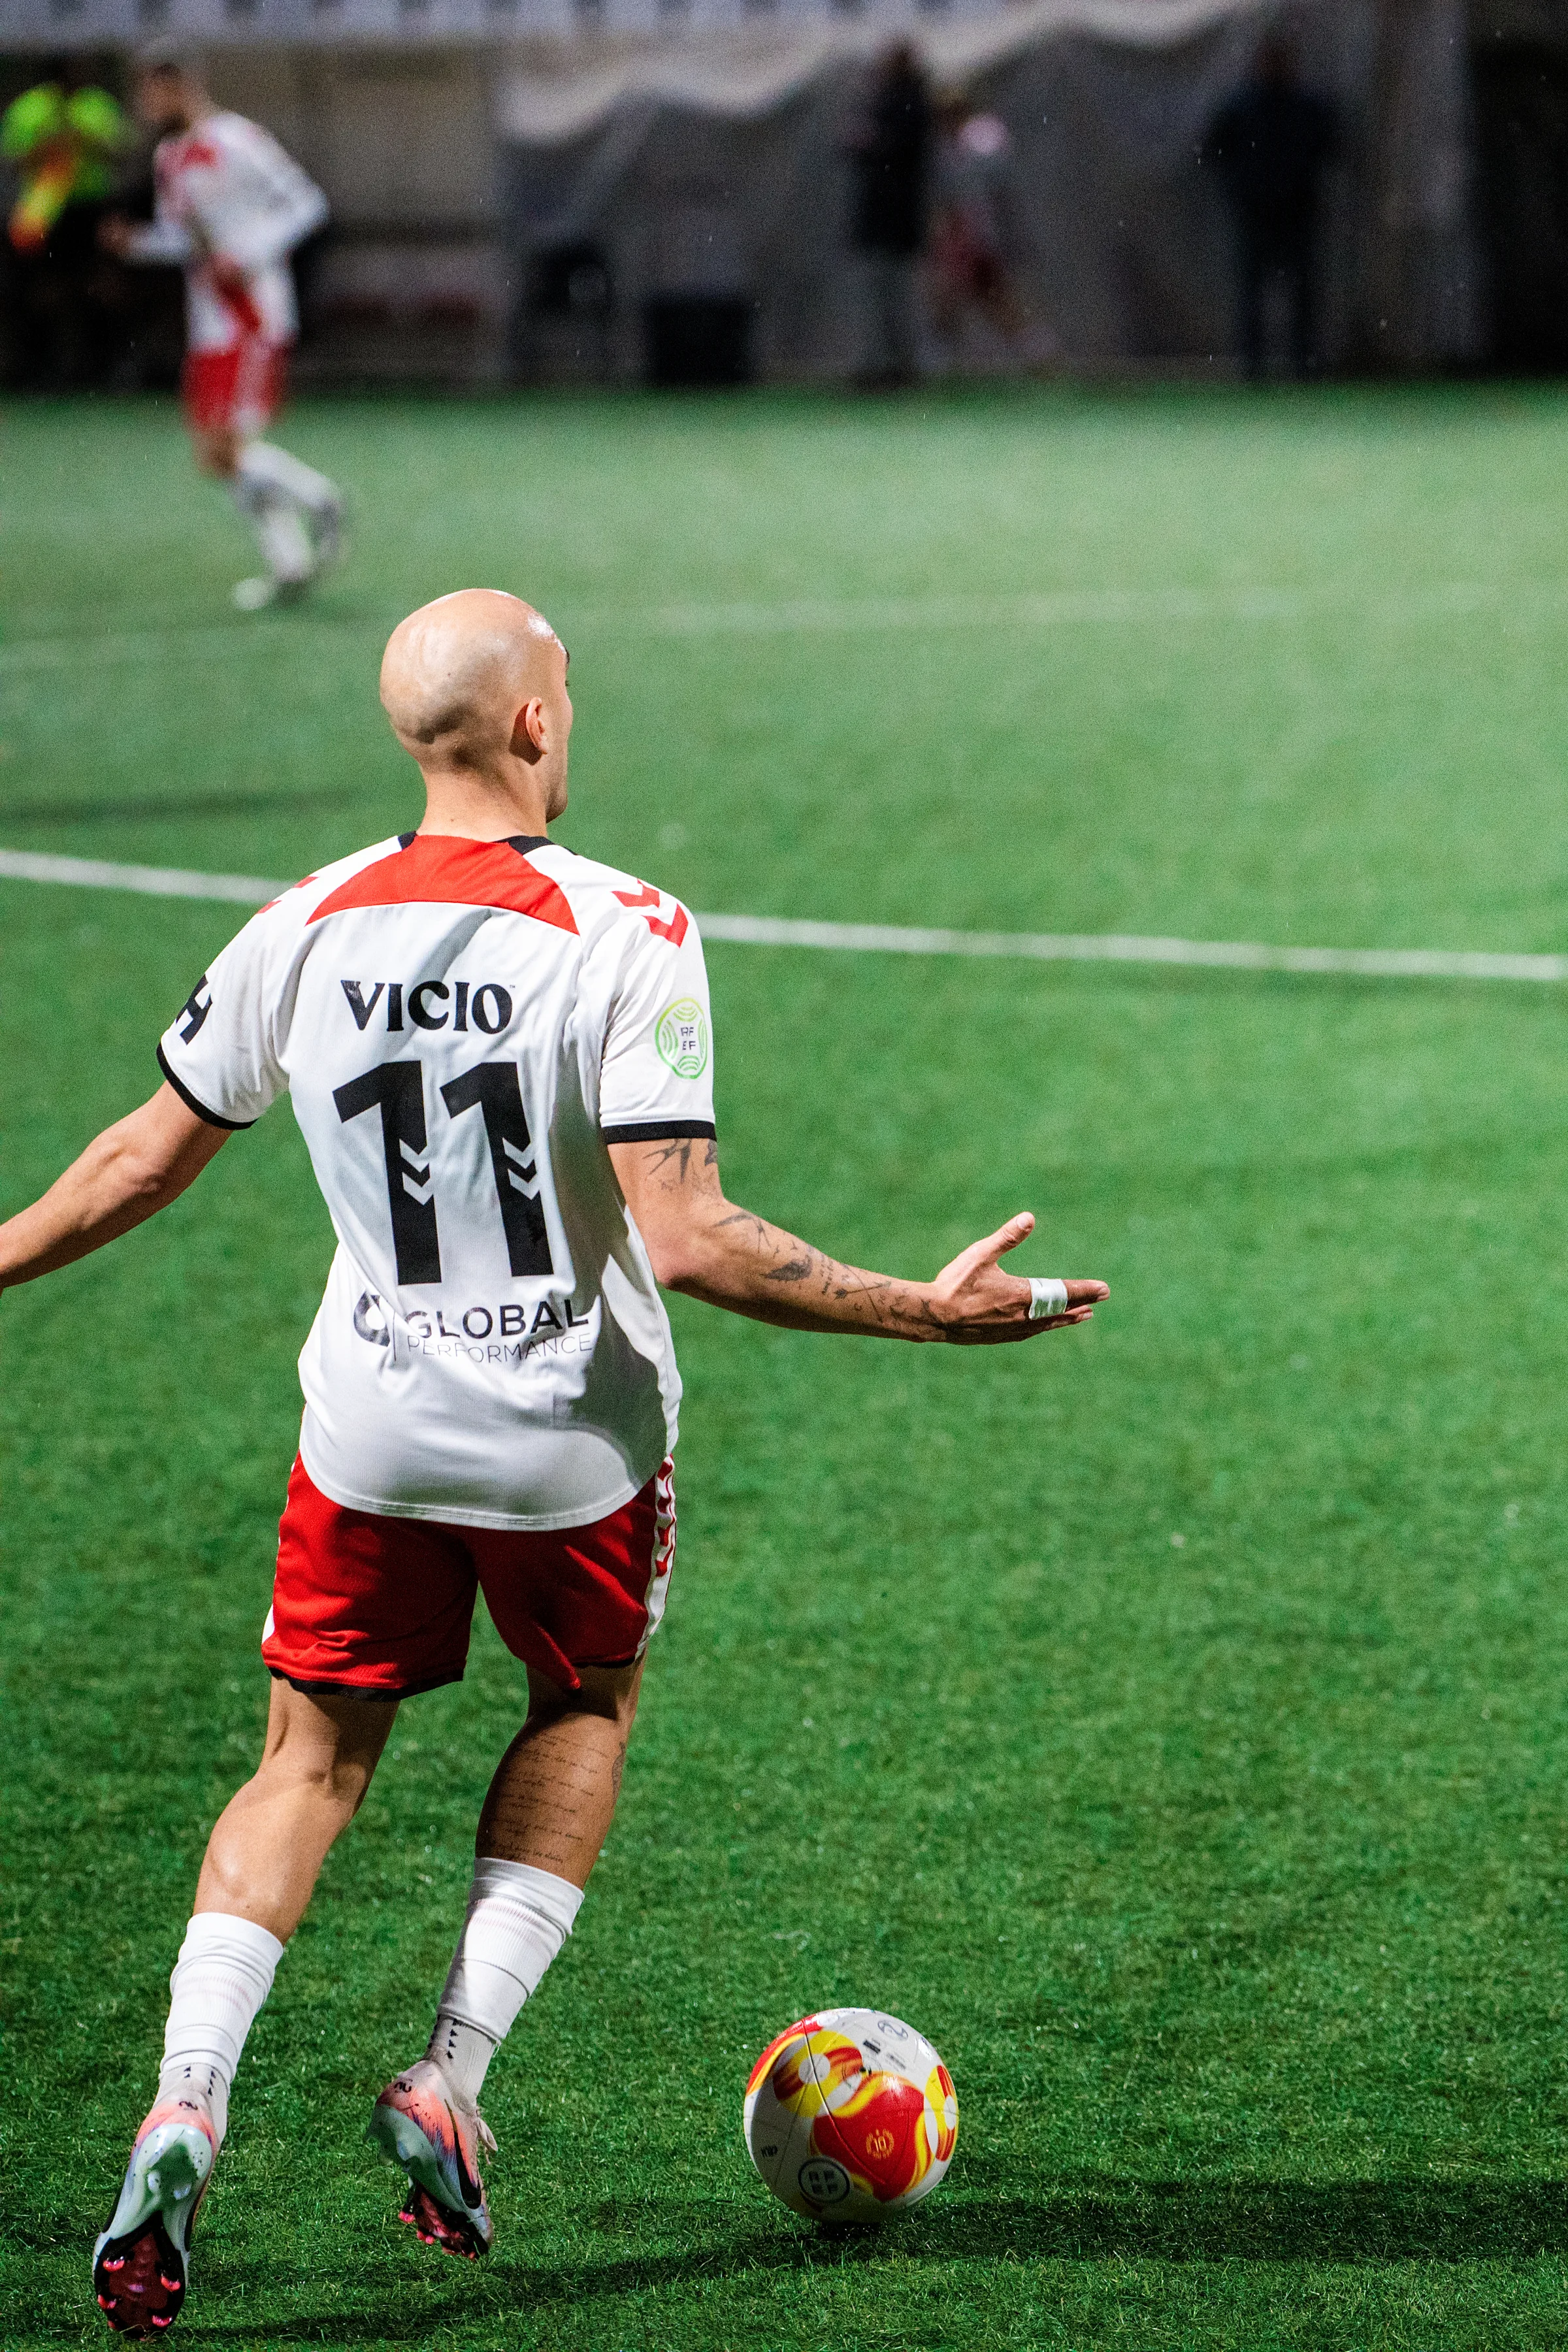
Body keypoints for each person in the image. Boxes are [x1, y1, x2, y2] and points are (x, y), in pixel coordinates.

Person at [0, 589, 1109, 2338]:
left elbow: (140, 1160)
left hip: (367, 1429)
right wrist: (917, 1309)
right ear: (530, 729)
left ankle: (188, 2099)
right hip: (567, 1441)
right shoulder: (628, 927)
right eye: (566, 698)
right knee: (581, 1708)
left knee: (308, 1762)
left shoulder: (300, 924)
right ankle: (446, 2071)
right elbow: (687, 1237)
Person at [99, 49, 342, 610]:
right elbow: (181, 240)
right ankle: (291, 564)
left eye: (154, 91)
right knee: (219, 455)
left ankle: (318, 501)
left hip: (251, 313)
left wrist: (248, 253)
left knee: (223, 448)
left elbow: (306, 204)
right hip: (209, 319)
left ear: (181, 86)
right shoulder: (170, 157)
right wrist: (134, 243)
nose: (146, 104)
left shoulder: (237, 139)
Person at [1201, 37, 1337, 382]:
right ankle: (1254, 367)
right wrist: (1240, 186)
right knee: (1252, 294)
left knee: (1301, 293)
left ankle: (1302, 364)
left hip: (1296, 211)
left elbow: (1332, 145)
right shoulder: (1243, 106)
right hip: (1256, 214)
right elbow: (1212, 149)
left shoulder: (1304, 106)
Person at [2, 59, 129, 388]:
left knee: (98, 288)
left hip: (89, 209)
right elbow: (15, 161)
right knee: (42, 291)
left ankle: (100, 370)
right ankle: (42, 371)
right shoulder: (31, 107)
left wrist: (84, 138)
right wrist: (48, 143)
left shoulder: (96, 104)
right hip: (44, 212)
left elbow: (121, 153)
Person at [843, 41, 933, 389]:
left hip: (892, 217)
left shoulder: (905, 103)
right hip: (890, 218)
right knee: (885, 295)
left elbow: (893, 148)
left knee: (889, 296)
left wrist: (869, 141)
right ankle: (887, 365)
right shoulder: (895, 102)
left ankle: (892, 366)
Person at [928, 91, 1029, 369]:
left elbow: (993, 185)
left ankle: (1039, 359)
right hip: (955, 238)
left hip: (978, 238)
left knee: (999, 303)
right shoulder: (940, 149)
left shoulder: (982, 140)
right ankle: (938, 367)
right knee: (944, 307)